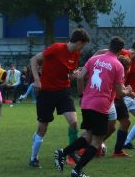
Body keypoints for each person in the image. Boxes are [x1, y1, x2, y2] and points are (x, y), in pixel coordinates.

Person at [54, 36, 135, 177]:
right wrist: (128, 90)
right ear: (121, 50)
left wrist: (81, 95)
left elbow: (80, 77)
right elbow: (120, 93)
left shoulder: (94, 59)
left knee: (88, 135)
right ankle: (77, 170)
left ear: (109, 45)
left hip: (87, 102)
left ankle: (63, 152)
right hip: (101, 105)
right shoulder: (118, 65)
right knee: (97, 141)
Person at [28, 28, 91, 168]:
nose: (83, 48)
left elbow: (70, 73)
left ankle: (71, 153)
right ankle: (33, 158)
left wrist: (75, 75)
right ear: (79, 42)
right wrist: (37, 79)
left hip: (63, 91)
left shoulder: (76, 54)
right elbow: (34, 59)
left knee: (74, 122)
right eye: (84, 44)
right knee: (43, 127)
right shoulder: (57, 48)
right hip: (46, 92)